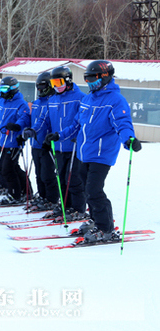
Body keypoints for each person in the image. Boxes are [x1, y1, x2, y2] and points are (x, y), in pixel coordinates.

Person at [53, 60, 142, 243]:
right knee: (87, 190)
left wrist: (129, 140)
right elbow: (77, 124)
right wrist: (59, 135)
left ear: (105, 77)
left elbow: (122, 123)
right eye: (86, 78)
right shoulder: (88, 98)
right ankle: (96, 220)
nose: (89, 82)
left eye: (92, 78)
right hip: (84, 153)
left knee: (94, 190)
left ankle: (106, 228)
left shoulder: (116, 100)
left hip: (102, 154)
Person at [34, 66, 87, 219]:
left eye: (59, 82)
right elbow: (44, 119)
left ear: (68, 80)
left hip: (74, 146)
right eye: (53, 83)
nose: (56, 86)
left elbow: (80, 122)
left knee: (74, 181)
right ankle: (65, 206)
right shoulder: (53, 99)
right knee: (61, 180)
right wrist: (33, 130)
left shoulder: (80, 98)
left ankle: (79, 209)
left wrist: (79, 135)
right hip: (58, 146)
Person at [22, 72, 59, 210]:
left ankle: (52, 199)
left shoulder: (53, 102)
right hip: (35, 144)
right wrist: (26, 130)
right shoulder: (36, 103)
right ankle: (43, 197)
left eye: (42, 86)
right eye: (38, 87)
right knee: (38, 174)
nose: (40, 90)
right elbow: (32, 121)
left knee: (47, 174)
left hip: (47, 144)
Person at [0, 77, 31, 205]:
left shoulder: (21, 103)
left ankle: (14, 194)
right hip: (3, 140)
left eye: (4, 89)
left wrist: (17, 126)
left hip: (14, 141)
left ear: (13, 89)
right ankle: (26, 191)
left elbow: (25, 117)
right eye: (1, 89)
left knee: (8, 169)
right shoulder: (2, 102)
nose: (2, 92)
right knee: (12, 167)